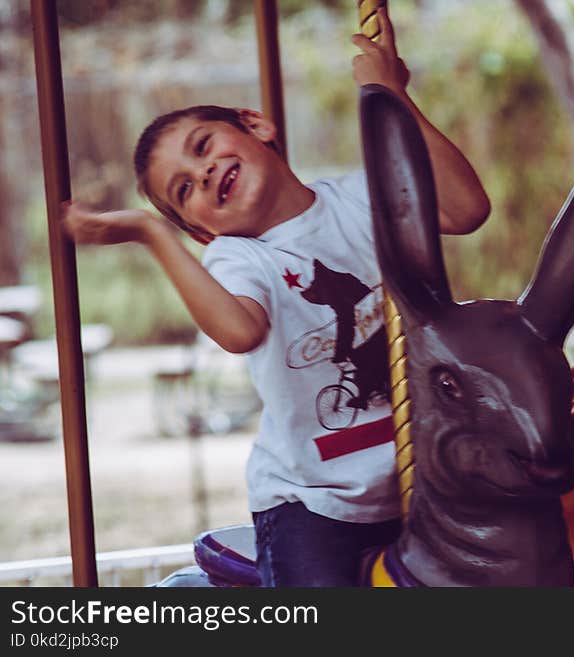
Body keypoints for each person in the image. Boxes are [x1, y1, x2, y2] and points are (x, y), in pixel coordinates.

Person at [62, 7, 490, 587]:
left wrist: (393, 96)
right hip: (312, 503)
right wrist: (151, 233)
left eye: (204, 145)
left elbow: (466, 210)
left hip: (429, 474)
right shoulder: (239, 258)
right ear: (199, 231)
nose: (205, 171)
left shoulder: (362, 198)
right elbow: (240, 331)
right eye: (183, 189)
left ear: (256, 124)